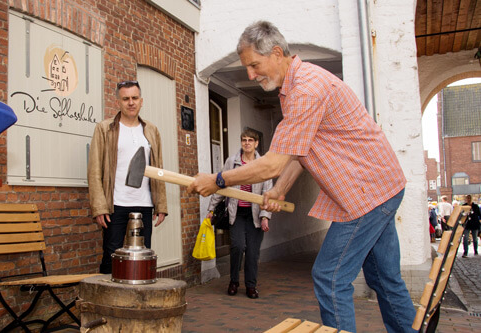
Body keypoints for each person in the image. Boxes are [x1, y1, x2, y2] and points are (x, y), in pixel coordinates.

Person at [188, 21, 416, 332]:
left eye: (254, 65)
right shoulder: (294, 87)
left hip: (367, 193)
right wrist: (280, 190)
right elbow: (299, 150)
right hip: (381, 186)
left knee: (330, 276)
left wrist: (217, 180)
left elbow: (271, 163)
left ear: (277, 53)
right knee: (382, 277)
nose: (251, 75)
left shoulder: (306, 89)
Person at [88, 80, 168, 274]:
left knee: (142, 255)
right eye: (125, 99)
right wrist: (99, 206)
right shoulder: (104, 128)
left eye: (134, 98)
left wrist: (161, 205)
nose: (130, 102)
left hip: (144, 204)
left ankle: (139, 298)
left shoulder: (151, 130)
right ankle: (107, 299)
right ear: (118, 102)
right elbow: (94, 169)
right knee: (110, 255)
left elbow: (158, 169)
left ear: (141, 101)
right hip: (115, 204)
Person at [207, 129, 273, 299]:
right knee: (237, 246)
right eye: (244, 140)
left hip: (255, 214)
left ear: (256, 143)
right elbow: (222, 185)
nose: (247, 143)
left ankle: (251, 285)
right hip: (236, 213)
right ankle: (234, 281)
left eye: (251, 140)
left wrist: (265, 216)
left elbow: (268, 191)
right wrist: (211, 209)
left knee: (252, 251)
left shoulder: (263, 164)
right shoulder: (232, 162)